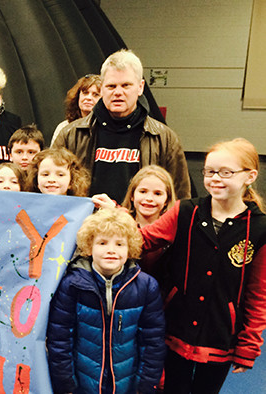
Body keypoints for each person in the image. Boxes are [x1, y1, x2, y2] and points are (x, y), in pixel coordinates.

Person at [140, 138, 266, 393]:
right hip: (175, 327)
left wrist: (249, 345)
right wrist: (109, 222)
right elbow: (142, 241)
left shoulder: (261, 228)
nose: (215, 178)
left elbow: (258, 293)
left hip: (221, 335)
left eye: (226, 172)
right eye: (209, 171)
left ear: (249, 176)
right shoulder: (185, 211)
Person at [47, 208, 166, 394]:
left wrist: (145, 387)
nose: (111, 250)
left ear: (130, 248)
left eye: (120, 244)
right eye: (102, 243)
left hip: (127, 384)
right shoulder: (71, 285)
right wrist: (66, 385)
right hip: (82, 383)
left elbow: (153, 343)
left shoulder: (146, 286)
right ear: (89, 246)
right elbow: (60, 339)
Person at [53, 49, 191, 203]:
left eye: (126, 85)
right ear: (102, 88)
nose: (118, 92)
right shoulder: (71, 134)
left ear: (140, 87)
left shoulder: (164, 138)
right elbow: (50, 186)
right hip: (85, 224)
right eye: (111, 86)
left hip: (139, 226)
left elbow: (180, 198)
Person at [50, 74, 102, 146]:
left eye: (95, 94)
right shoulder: (64, 127)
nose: (88, 98)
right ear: (78, 96)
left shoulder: (107, 129)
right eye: (85, 93)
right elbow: (54, 156)